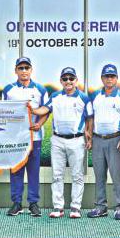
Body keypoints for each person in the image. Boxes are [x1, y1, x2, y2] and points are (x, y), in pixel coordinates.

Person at [31, 67, 90, 219]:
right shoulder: (55, 96)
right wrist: (31, 109)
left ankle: (76, 207)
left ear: (76, 80)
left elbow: (90, 118)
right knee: (57, 175)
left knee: (77, 175)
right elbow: (44, 110)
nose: (68, 81)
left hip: (76, 140)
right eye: (65, 79)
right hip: (57, 140)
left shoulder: (84, 98)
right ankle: (58, 207)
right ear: (61, 81)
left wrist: (88, 134)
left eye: (71, 78)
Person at [2, 57, 49, 217]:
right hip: (15, 138)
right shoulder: (8, 90)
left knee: (33, 171)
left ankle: (33, 203)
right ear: (15, 70)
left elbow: (46, 110)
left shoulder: (40, 89)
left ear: (31, 70)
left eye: (26, 68)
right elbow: (3, 112)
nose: (24, 71)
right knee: (16, 170)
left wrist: (39, 124)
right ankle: (16, 203)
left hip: (34, 137)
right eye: (20, 68)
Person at [86, 64, 120, 220]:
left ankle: (119, 208)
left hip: (115, 140)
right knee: (99, 175)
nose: (109, 79)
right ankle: (100, 207)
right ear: (102, 78)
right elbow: (90, 118)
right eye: (106, 76)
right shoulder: (94, 96)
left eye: (112, 76)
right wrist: (89, 137)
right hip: (98, 139)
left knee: (117, 175)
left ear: (116, 78)